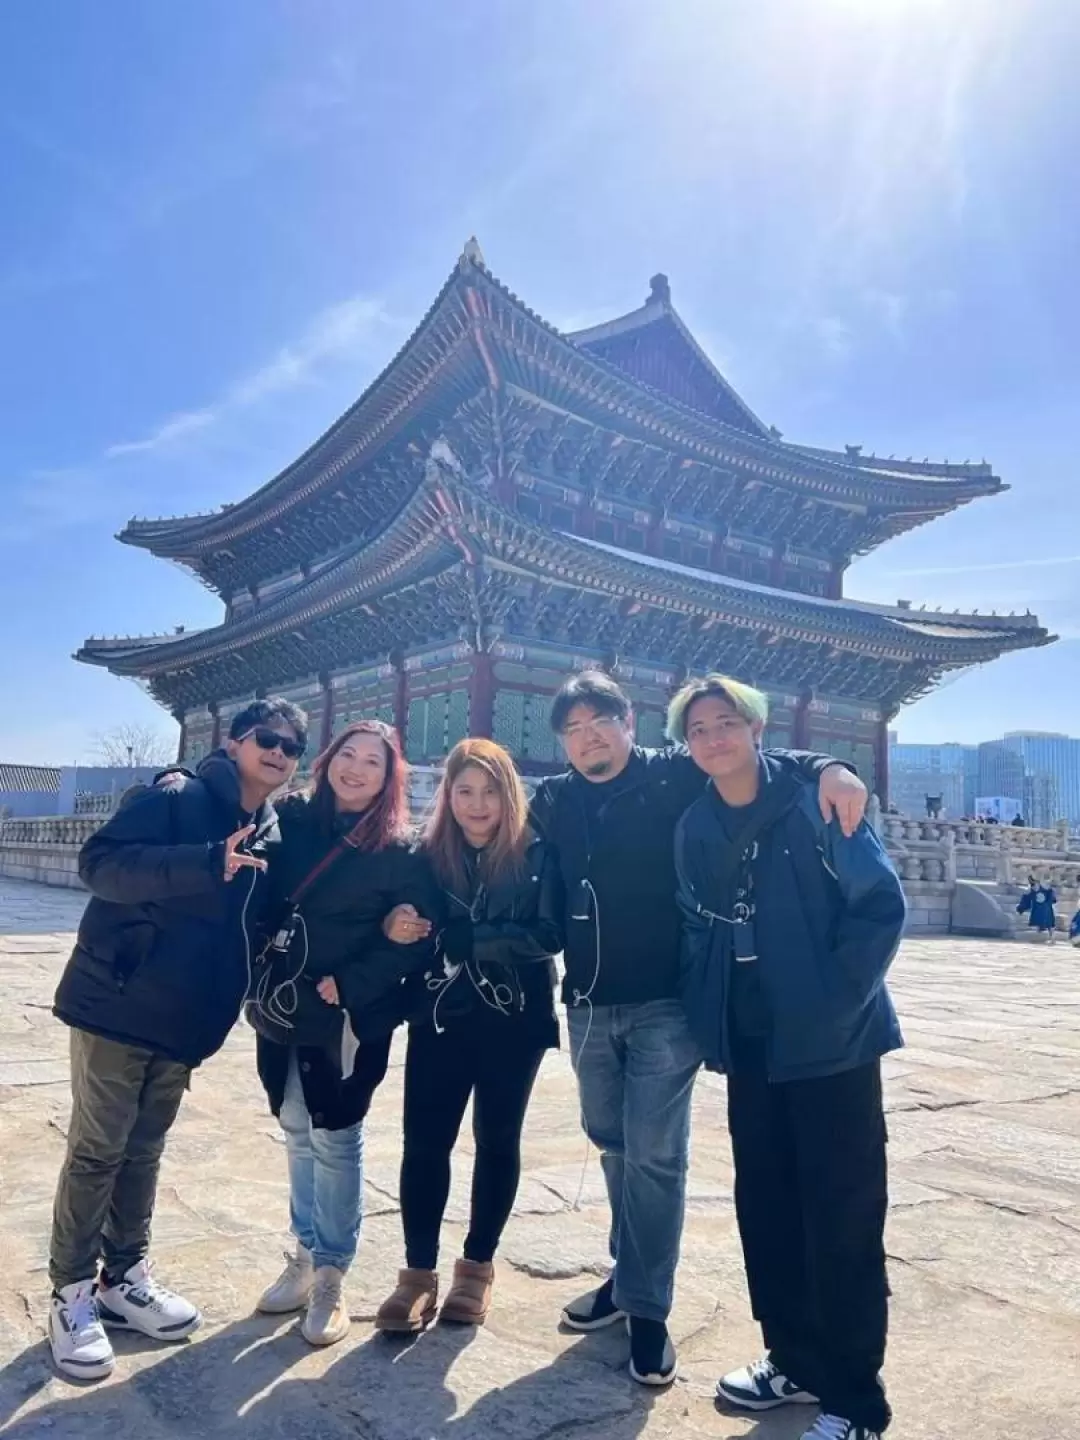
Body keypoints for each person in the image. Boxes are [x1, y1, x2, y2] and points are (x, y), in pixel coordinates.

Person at [529, 670, 868, 1389]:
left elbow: (761, 762)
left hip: (668, 1003)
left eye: (601, 723)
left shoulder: (675, 777)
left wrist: (835, 766)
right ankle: (627, 1277)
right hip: (588, 1000)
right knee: (612, 1142)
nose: (589, 739)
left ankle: (648, 1309)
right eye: (573, 730)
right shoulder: (555, 799)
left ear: (630, 723)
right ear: (562, 741)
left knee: (654, 1152)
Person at [671, 674, 904, 1440]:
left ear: (758, 727)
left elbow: (879, 906)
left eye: (726, 721)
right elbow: (696, 926)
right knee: (766, 1207)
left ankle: (855, 1399)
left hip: (832, 1045)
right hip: (753, 1045)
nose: (713, 738)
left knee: (841, 1214)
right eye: (697, 728)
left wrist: (837, 1001)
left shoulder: (819, 802)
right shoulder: (696, 825)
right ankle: (794, 1358)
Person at [48, 698, 307, 1381]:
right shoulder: (177, 795)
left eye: (294, 746)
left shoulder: (271, 832)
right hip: (118, 1003)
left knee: (144, 1152)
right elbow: (99, 864)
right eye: (268, 738)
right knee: (98, 1151)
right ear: (234, 741)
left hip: (186, 1020)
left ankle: (124, 1275)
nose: (280, 752)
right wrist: (203, 862)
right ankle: (71, 1293)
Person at [250, 721, 438, 1346]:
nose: (356, 770)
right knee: (295, 1130)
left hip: (350, 1016)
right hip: (283, 1004)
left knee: (335, 1137)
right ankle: (304, 1255)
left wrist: (354, 982)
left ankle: (332, 1271)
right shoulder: (291, 822)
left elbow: (417, 938)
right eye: (347, 756)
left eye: (373, 764)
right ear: (328, 760)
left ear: (390, 779)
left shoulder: (401, 850)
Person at [375, 738, 562, 1333]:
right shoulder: (427, 855)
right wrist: (394, 923)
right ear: (448, 797)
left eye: (489, 791)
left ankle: (476, 1268)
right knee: (424, 1141)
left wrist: (475, 940)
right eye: (464, 791)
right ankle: (416, 1275)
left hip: (516, 1017)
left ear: (509, 794)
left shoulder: (538, 852)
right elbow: (397, 909)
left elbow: (551, 933)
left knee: (497, 1139)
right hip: (440, 1015)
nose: (477, 805)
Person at [1017, 875, 1057, 942]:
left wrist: (1051, 900)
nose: (1035, 886)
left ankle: (1051, 938)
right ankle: (1040, 937)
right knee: (1040, 922)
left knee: (1049, 924)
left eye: (1035, 884)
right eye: (1033, 885)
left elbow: (1051, 896)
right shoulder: (1032, 892)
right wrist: (1021, 908)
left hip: (1046, 909)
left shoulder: (1046, 890)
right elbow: (1026, 900)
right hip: (1039, 909)